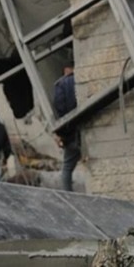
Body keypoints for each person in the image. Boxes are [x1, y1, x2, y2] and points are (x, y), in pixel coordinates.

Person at [53, 62, 80, 191]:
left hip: (70, 132)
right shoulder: (81, 79)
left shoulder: (61, 84)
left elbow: (59, 106)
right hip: (86, 127)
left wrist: (61, 133)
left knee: (67, 167)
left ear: (65, 70)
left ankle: (68, 195)